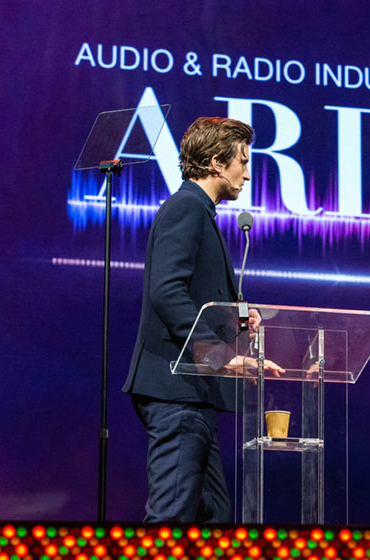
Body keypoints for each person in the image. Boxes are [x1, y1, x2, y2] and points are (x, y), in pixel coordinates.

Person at [123, 116, 283, 523]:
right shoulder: (187, 208)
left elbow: (197, 296)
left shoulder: (200, 212)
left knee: (212, 516)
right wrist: (219, 354)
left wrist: (239, 320)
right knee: (171, 518)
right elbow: (166, 291)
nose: (247, 174)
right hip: (176, 390)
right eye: (242, 162)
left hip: (193, 392)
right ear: (216, 163)